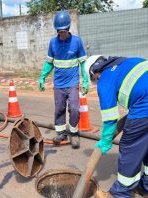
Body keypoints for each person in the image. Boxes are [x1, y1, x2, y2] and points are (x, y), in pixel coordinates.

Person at [84, 56, 148, 198]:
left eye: (94, 80)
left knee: (130, 148)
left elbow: (110, 118)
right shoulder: (128, 61)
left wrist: (106, 140)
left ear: (94, 73)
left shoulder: (105, 80)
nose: (96, 82)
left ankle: (120, 194)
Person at [38, 10, 88, 149]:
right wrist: (42, 76)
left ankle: (74, 133)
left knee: (74, 108)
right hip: (59, 84)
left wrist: (85, 80)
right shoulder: (53, 43)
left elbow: (83, 62)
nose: (62, 34)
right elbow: (49, 62)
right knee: (59, 109)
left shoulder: (77, 41)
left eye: (64, 31)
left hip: (72, 83)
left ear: (68, 28)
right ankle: (61, 133)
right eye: (59, 32)